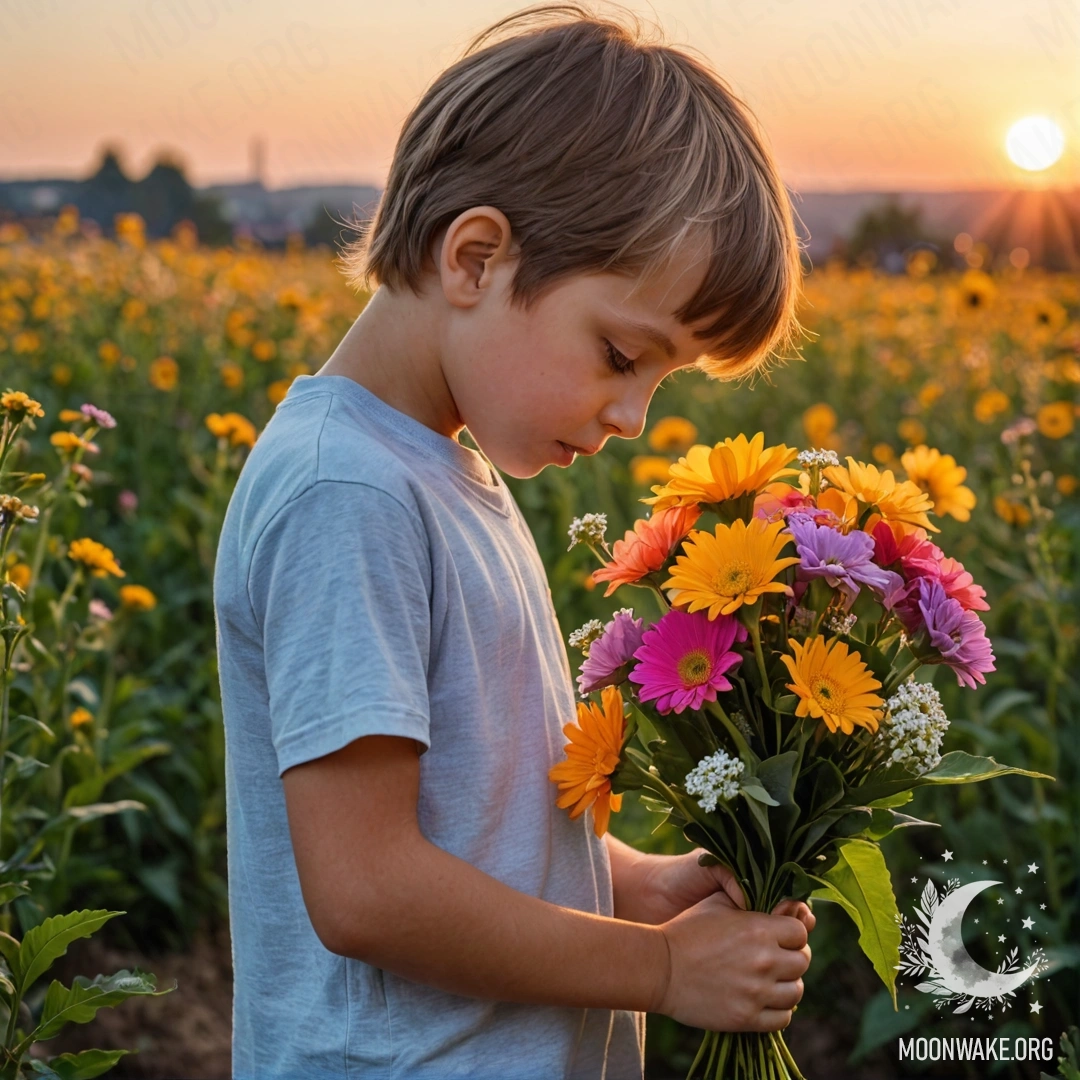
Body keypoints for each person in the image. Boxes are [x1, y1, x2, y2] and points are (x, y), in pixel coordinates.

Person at [213, 4, 815, 1078]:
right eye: (621, 354)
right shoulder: (346, 494)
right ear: (476, 259)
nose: (632, 415)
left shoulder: (446, 473)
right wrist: (658, 970)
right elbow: (369, 890)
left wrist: (638, 886)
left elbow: (478, 829)